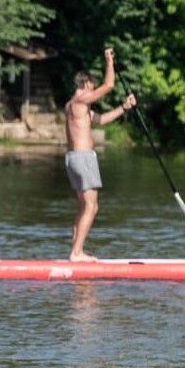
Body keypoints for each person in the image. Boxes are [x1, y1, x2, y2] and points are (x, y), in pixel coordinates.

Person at [63, 48, 136, 261]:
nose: (93, 89)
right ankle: (76, 253)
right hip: (83, 159)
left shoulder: (72, 106)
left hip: (72, 159)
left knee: (85, 205)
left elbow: (101, 120)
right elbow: (110, 85)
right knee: (92, 206)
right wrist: (108, 61)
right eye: (91, 85)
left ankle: (76, 249)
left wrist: (124, 107)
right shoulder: (80, 100)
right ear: (85, 84)